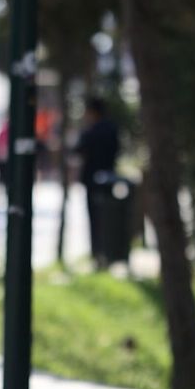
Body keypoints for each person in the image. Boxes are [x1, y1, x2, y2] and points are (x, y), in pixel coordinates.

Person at [75, 98, 123, 268]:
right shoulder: (112, 128)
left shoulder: (92, 131)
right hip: (109, 178)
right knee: (106, 218)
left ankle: (98, 254)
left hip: (92, 180)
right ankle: (106, 253)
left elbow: (78, 149)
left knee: (96, 218)